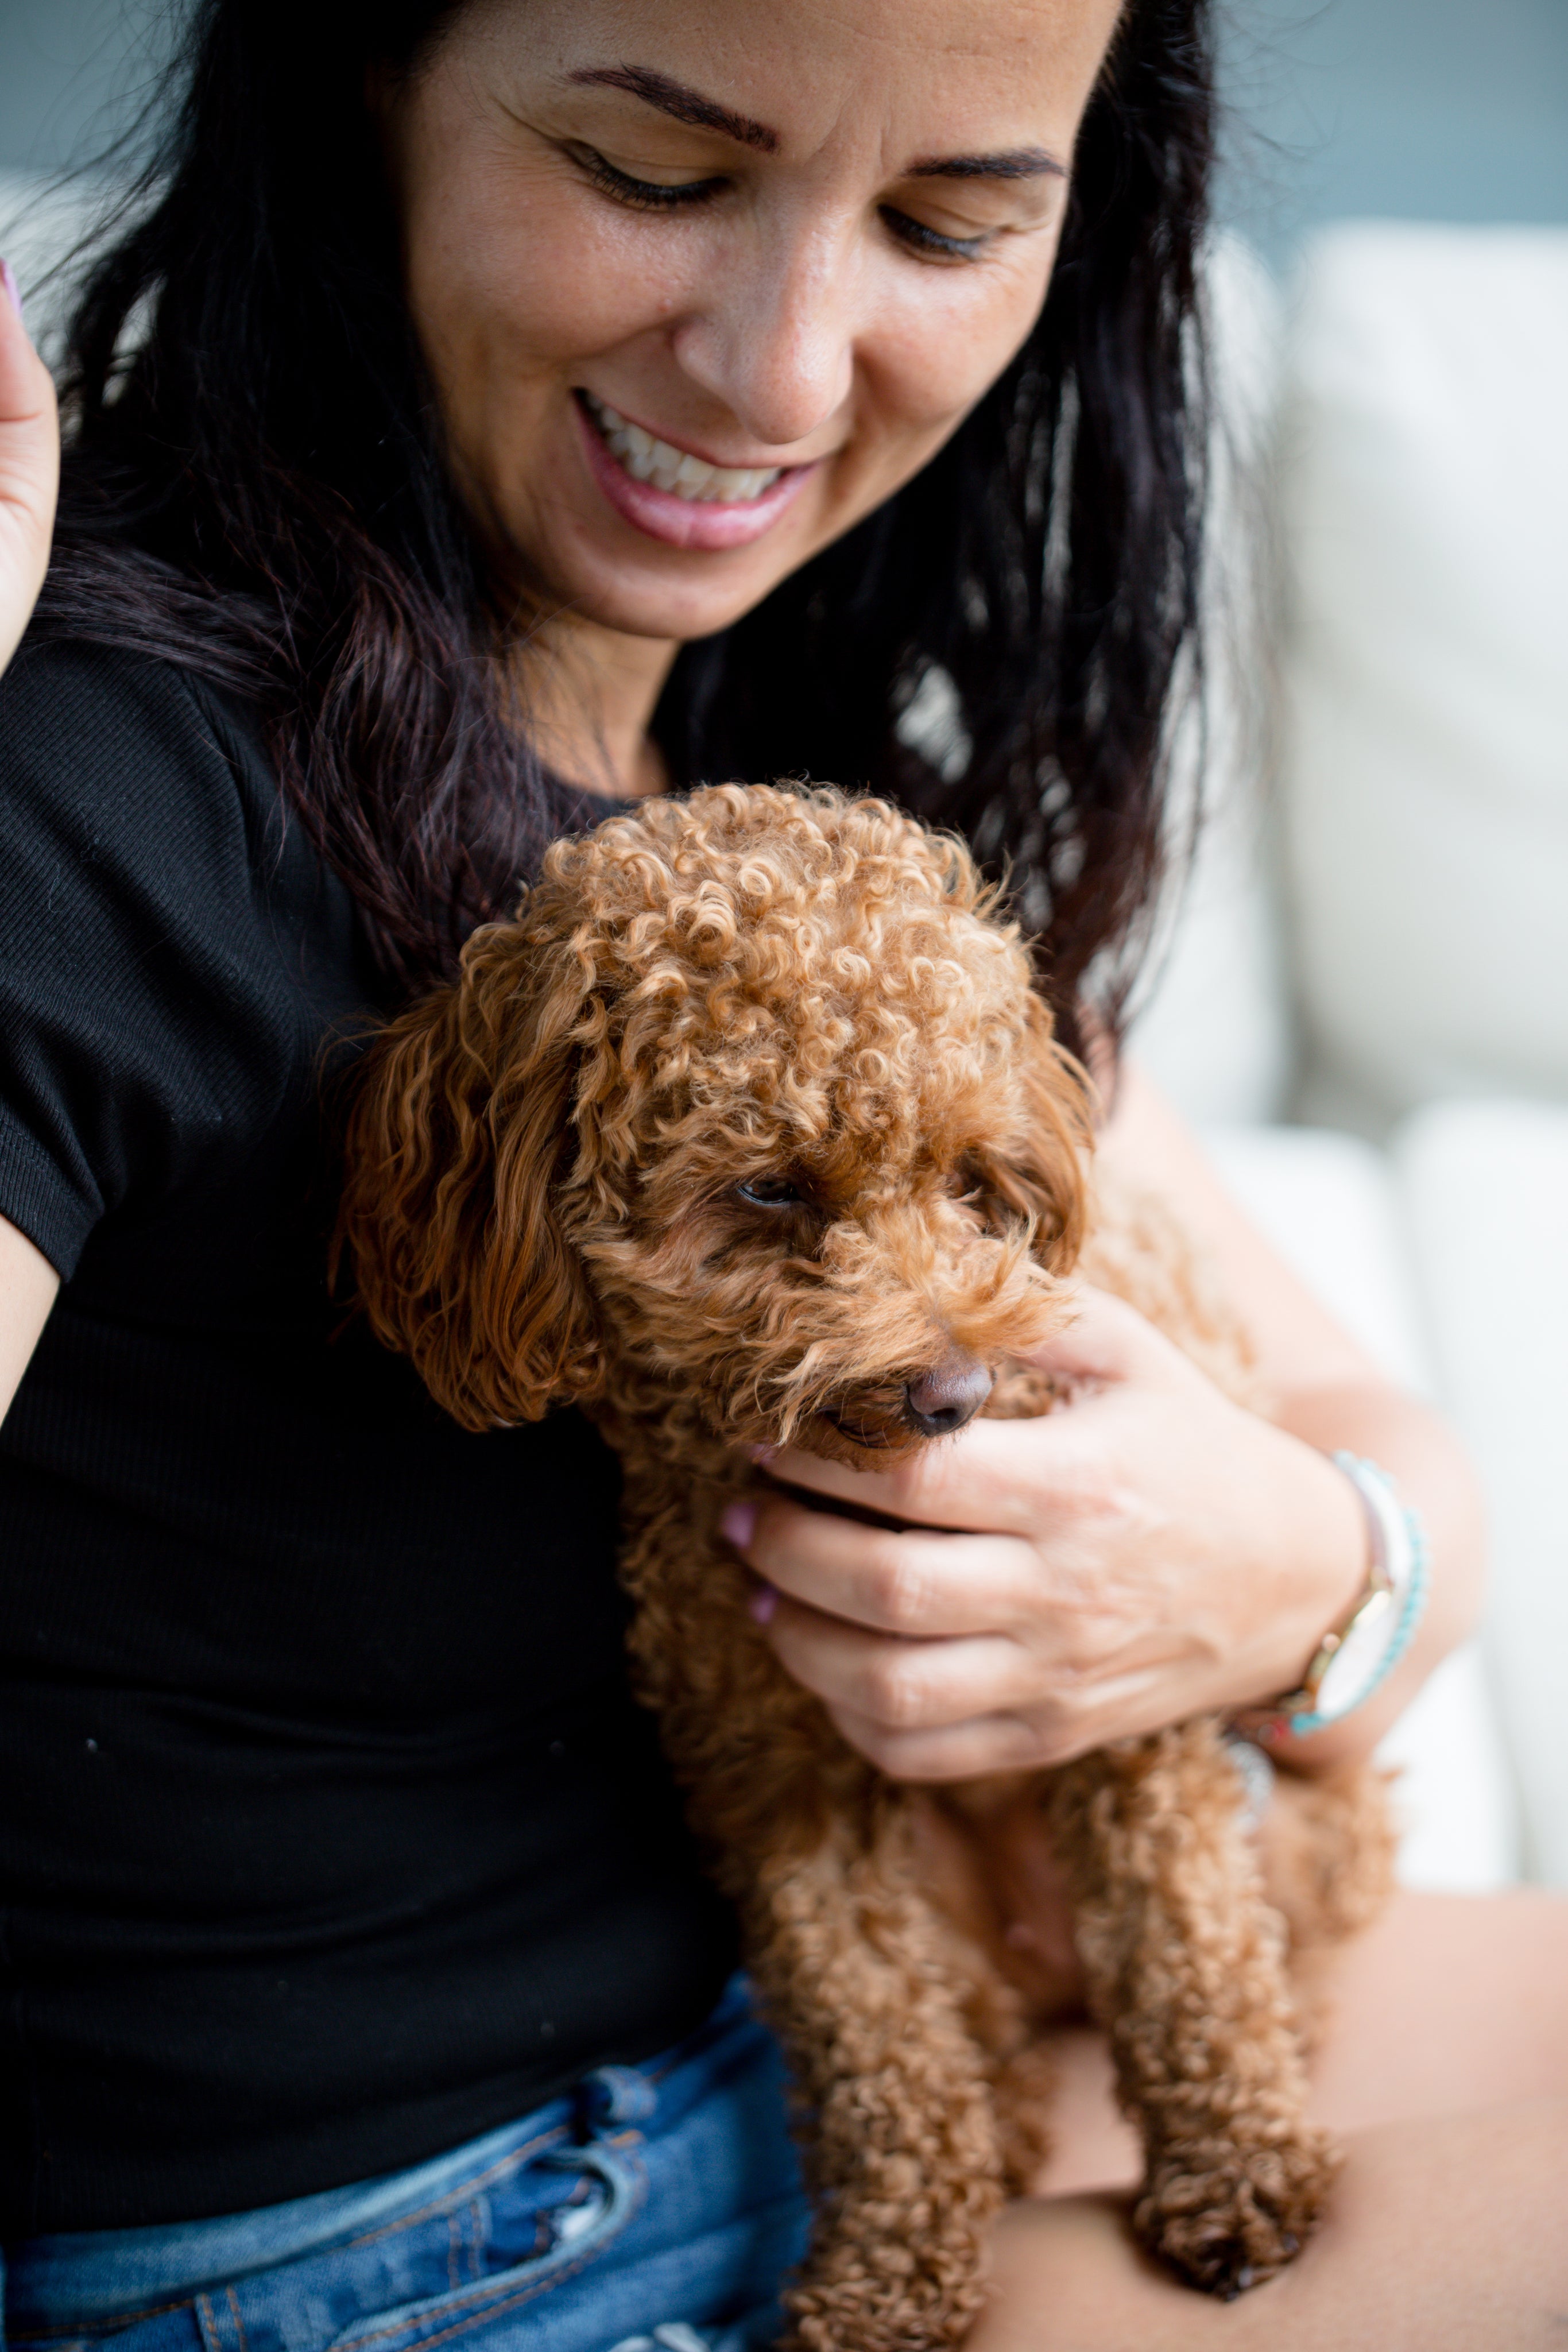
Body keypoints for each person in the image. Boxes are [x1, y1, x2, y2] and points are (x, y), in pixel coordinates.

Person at [0, 4, 1563, 2347]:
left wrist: (1289, 1572)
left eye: (946, 219)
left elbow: (1381, 1476)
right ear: (361, 76)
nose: (777, 371)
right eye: (651, 169)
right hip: (396, 2249)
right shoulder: (97, 773)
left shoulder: (793, 781)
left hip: (795, 2043)